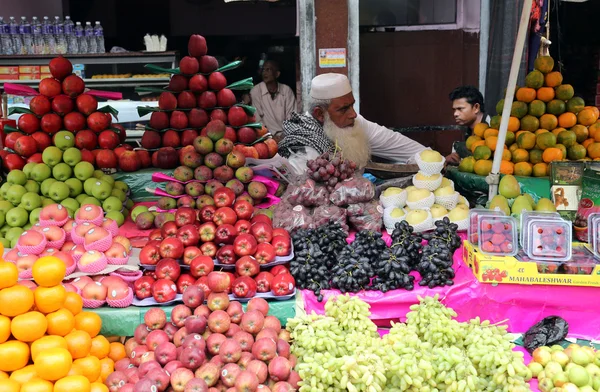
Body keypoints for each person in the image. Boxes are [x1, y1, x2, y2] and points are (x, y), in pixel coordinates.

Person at [279, 73, 443, 170]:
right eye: (344, 109)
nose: (354, 114)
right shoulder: (302, 146)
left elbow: (401, 146)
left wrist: (435, 161)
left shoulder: (356, 124)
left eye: (352, 106)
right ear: (320, 114)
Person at [249, 60, 296, 140]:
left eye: (268, 70)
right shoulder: (256, 91)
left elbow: (292, 118)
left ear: (277, 74)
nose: (264, 73)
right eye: (263, 70)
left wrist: (283, 137)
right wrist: (270, 137)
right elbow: (257, 120)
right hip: (264, 138)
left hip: (285, 137)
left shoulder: (286, 90)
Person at [447, 86, 489, 164]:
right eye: (454, 110)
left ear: (476, 107)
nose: (455, 114)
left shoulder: (491, 129)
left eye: (460, 109)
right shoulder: (469, 128)